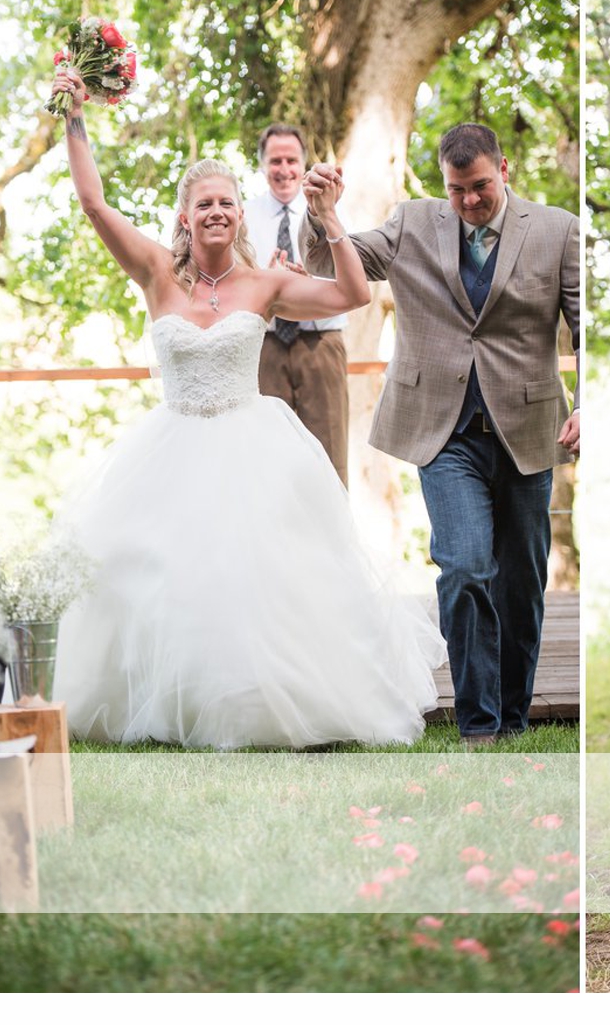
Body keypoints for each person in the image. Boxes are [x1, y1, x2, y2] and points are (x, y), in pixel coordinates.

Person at [41, 69, 442, 748]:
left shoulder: (266, 285)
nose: (218, 212)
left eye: (227, 201)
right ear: (184, 218)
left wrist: (329, 218)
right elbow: (92, 203)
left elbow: (352, 296)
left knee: (258, 575)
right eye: (204, 204)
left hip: (250, 443)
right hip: (171, 447)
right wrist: (73, 115)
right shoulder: (155, 274)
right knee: (160, 573)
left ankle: (263, 702)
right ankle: (173, 705)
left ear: (238, 210)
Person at [304, 124, 581, 744]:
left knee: (521, 580)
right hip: (443, 431)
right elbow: (328, 262)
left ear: (504, 169)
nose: (469, 203)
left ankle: (513, 716)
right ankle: (479, 725)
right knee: (464, 565)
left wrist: (586, 404)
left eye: (480, 187)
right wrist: (320, 212)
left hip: (530, 429)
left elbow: (584, 327)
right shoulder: (413, 224)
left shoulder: (558, 230)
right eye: (457, 191)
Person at [241, 123, 351, 484]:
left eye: (291, 160)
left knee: (328, 456)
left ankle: (330, 539)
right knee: (267, 456)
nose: (284, 169)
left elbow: (354, 275)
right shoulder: (241, 216)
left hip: (321, 344)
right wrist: (268, 282)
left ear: (303, 164)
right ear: (262, 165)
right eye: (275, 161)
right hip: (264, 347)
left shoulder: (333, 209)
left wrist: (314, 282)